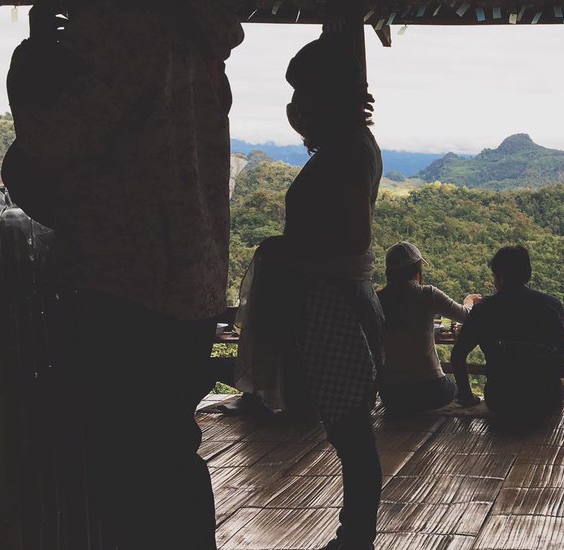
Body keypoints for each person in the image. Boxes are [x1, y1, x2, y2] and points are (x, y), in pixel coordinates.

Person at [2, 2, 242, 547]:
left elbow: (55, 140)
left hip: (123, 274)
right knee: (168, 456)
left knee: (129, 473)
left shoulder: (125, 20)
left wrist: (33, 60)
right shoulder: (198, 35)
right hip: (192, 276)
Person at [238, 32, 385, 550]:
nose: (295, 107)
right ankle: (354, 537)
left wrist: (283, 253)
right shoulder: (349, 146)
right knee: (352, 437)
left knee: (351, 438)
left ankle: (354, 540)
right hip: (339, 304)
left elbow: (351, 237)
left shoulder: (345, 153)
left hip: (333, 310)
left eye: (302, 93)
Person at [450, 245, 564, 419]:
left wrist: (467, 396)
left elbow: (458, 355)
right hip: (547, 399)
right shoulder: (553, 306)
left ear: (500, 277)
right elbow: (560, 362)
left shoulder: (484, 310)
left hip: (501, 399)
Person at [376, 242, 480, 415]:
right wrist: (468, 301)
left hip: (391, 395)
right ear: (417, 270)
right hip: (431, 390)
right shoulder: (427, 294)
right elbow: (467, 316)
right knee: (454, 388)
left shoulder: (377, 299)